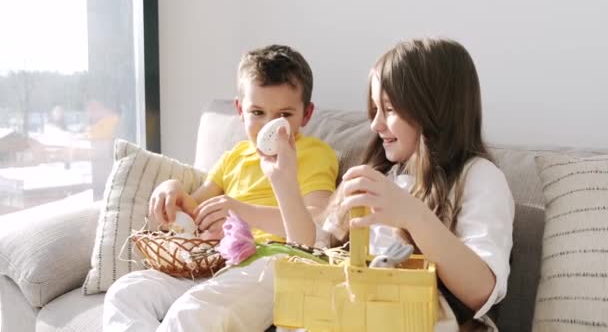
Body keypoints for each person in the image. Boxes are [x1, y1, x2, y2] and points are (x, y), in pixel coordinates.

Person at [103, 44, 338, 331]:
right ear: (241, 110)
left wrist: (243, 212)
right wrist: (173, 188)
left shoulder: (315, 153)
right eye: (258, 112)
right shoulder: (234, 157)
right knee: (126, 291)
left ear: (306, 114)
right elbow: (195, 209)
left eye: (284, 115)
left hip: (273, 262)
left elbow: (312, 231)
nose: (269, 127)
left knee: (191, 312)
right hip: (214, 264)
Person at [325, 38, 514, 330]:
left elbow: (481, 291)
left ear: (432, 110)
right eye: (374, 108)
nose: (375, 125)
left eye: (388, 109)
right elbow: (313, 246)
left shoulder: (479, 177)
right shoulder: (381, 174)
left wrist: (413, 215)